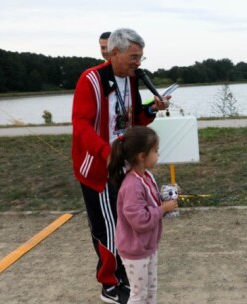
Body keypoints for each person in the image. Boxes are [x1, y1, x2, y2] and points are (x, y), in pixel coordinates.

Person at [72, 28, 170, 304]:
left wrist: (152, 109)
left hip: (123, 163)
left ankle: (125, 273)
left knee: (126, 223)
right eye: (133, 57)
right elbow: (80, 126)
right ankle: (109, 284)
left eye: (140, 56)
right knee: (107, 227)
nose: (138, 62)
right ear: (115, 53)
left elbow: (133, 117)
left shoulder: (131, 78)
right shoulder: (91, 80)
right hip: (99, 166)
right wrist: (108, 153)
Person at [108, 126, 178, 304]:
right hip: (134, 250)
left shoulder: (146, 176)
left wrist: (167, 195)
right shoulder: (132, 185)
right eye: (155, 151)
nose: (158, 154)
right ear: (141, 156)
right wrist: (163, 209)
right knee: (139, 294)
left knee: (151, 289)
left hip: (148, 245)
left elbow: (149, 202)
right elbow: (139, 220)